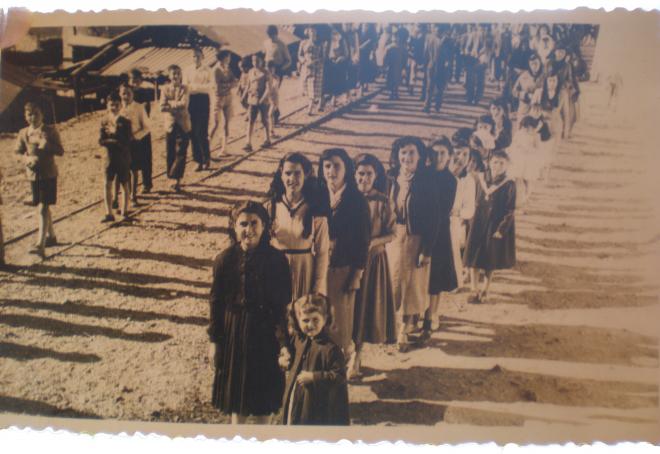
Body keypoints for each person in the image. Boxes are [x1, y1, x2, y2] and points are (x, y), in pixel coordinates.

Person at [208, 200, 292, 424]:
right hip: (235, 334)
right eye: (243, 224)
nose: (249, 230)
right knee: (238, 402)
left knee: (264, 403)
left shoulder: (277, 261)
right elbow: (216, 303)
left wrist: (284, 343)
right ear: (234, 227)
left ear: (264, 226)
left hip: (265, 335)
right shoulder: (224, 260)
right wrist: (215, 342)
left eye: (254, 223)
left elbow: (281, 307)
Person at [318, 148, 371, 368]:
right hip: (319, 266)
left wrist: (357, 274)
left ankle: (342, 364)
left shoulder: (356, 200)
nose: (331, 171)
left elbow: (363, 241)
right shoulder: (319, 194)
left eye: (336, 166)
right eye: (327, 166)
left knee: (340, 320)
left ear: (347, 169)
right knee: (320, 317)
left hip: (343, 268)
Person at [388, 136, 440, 351]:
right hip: (393, 238)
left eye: (411, 152)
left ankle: (403, 330)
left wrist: (426, 250)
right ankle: (391, 326)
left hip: (416, 239)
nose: (407, 157)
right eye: (403, 152)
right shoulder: (391, 177)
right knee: (393, 283)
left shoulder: (427, 181)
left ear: (420, 156)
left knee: (411, 286)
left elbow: (434, 218)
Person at [351, 153, 396, 377]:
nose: (364, 178)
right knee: (348, 308)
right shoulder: (348, 198)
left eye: (369, 174)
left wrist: (371, 242)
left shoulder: (383, 201)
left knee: (363, 309)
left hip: (372, 262)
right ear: (354, 175)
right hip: (348, 260)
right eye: (360, 173)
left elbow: (392, 233)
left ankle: (356, 358)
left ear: (376, 175)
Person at [266, 152, 330, 300]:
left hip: (304, 271)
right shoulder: (271, 207)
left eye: (297, 173)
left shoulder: (315, 208)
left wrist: (318, 287)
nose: (292, 179)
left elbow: (322, 252)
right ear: (281, 175)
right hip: (276, 270)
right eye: (288, 173)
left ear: (306, 175)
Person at [280, 294, 349, 425]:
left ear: (325, 319)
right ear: (298, 320)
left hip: (317, 405)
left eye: (315, 320)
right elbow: (292, 361)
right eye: (305, 320)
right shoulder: (298, 341)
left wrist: (314, 377)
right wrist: (285, 360)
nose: (310, 325)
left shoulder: (331, 349)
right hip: (297, 398)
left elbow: (339, 377)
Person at [463, 150, 516, 304]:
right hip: (477, 223)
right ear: (488, 163)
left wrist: (502, 229)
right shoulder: (479, 179)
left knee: (490, 259)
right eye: (495, 162)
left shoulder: (509, 184)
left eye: (502, 163)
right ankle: (474, 289)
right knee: (473, 256)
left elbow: (510, 209)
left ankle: (486, 288)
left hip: (494, 225)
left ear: (507, 165)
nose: (497, 166)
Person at [14, 101, 64, 257]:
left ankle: (40, 245)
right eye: (29, 114)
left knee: (43, 207)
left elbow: (60, 151)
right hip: (33, 176)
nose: (33, 117)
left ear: (42, 114)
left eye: (36, 114)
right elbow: (17, 152)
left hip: (48, 174)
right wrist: (26, 159)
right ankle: (52, 236)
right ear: (25, 116)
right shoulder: (24, 133)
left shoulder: (50, 131)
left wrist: (46, 144)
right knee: (43, 206)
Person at [419, 136, 458, 341]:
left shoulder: (450, 180)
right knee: (418, 276)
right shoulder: (423, 174)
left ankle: (431, 315)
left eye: (443, 153)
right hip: (419, 232)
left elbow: (442, 211)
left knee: (436, 278)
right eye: (435, 153)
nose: (439, 157)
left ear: (449, 156)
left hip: (439, 233)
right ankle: (415, 313)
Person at [448, 131, 481, 288]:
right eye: (457, 153)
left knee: (452, 254)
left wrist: (457, 213)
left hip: (453, 223)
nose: (461, 157)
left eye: (465, 154)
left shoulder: (468, 180)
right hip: (434, 221)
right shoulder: (440, 174)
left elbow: (470, 210)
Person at [99, 91, 132, 223]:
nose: (114, 107)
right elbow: (101, 140)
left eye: (116, 105)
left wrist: (113, 138)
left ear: (121, 106)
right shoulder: (104, 121)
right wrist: (114, 141)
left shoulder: (125, 122)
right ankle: (109, 213)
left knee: (124, 184)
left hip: (122, 158)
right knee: (107, 184)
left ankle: (125, 211)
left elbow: (127, 141)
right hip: (108, 158)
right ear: (107, 105)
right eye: (111, 105)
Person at [160, 64, 191, 193]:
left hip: (183, 124)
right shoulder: (164, 89)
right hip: (170, 125)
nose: (176, 76)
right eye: (174, 74)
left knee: (181, 152)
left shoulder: (185, 88)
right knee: (170, 152)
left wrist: (170, 104)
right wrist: (175, 105)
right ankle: (172, 178)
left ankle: (176, 179)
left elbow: (184, 104)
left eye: (178, 73)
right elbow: (162, 107)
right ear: (169, 75)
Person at [119, 83, 150, 207]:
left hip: (134, 143)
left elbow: (146, 127)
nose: (126, 96)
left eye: (129, 93)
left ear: (133, 94)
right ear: (120, 94)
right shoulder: (118, 108)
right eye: (123, 93)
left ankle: (133, 195)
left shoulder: (139, 108)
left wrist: (135, 136)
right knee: (123, 169)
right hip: (121, 144)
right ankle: (124, 194)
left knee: (134, 169)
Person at [184, 47, 213, 171]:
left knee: (202, 131)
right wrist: (198, 87)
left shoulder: (208, 70)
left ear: (203, 57)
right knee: (192, 132)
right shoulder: (187, 70)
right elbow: (185, 86)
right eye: (194, 56)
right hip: (191, 101)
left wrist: (195, 87)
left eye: (198, 56)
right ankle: (197, 160)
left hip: (203, 101)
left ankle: (206, 158)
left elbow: (210, 86)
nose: (196, 58)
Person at [127, 68, 153, 193]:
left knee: (146, 157)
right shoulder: (126, 93)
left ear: (141, 81)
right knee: (131, 158)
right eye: (132, 80)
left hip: (142, 128)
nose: (135, 83)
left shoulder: (144, 93)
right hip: (130, 130)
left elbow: (146, 112)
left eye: (137, 80)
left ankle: (147, 184)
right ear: (129, 81)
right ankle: (131, 187)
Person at [243, 52, 272, 152]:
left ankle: (267, 139)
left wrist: (262, 99)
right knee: (251, 120)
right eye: (253, 60)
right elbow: (248, 85)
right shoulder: (251, 71)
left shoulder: (266, 73)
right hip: (252, 99)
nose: (255, 62)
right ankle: (248, 142)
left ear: (262, 61)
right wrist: (244, 96)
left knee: (264, 120)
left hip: (263, 100)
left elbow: (268, 88)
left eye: (257, 60)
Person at [210, 49, 237, 156]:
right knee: (216, 124)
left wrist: (226, 85)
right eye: (228, 57)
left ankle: (224, 149)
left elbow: (235, 82)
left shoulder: (227, 68)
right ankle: (206, 148)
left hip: (228, 98)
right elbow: (218, 88)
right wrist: (229, 85)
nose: (229, 59)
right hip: (218, 99)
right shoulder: (216, 70)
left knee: (227, 124)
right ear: (223, 57)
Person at [423, 24, 452, 112]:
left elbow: (425, 52)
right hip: (436, 65)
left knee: (434, 87)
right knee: (434, 87)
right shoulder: (445, 40)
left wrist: (425, 63)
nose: (437, 31)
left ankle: (432, 105)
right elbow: (426, 52)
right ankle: (431, 106)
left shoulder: (430, 38)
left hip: (437, 65)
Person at [298, 26, 326, 115]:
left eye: (314, 32)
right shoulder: (303, 43)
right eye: (311, 32)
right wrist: (304, 61)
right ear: (308, 32)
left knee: (313, 88)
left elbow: (323, 57)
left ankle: (310, 108)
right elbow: (300, 55)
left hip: (317, 68)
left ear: (316, 33)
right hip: (306, 67)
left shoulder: (320, 44)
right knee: (307, 87)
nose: (312, 33)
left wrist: (316, 61)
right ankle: (313, 103)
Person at [512, 53, 544, 128]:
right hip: (524, 108)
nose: (534, 66)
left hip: (537, 109)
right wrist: (525, 95)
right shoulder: (523, 76)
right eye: (532, 64)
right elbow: (514, 91)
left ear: (540, 63)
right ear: (529, 65)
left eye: (536, 63)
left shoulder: (544, 76)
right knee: (521, 128)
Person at [383, 29, 407, 100]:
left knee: (397, 80)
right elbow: (385, 57)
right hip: (391, 65)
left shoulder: (402, 47)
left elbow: (405, 57)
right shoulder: (389, 47)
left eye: (397, 37)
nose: (396, 39)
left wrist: (404, 66)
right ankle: (392, 93)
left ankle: (395, 92)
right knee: (391, 79)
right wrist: (385, 65)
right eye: (395, 37)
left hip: (398, 66)